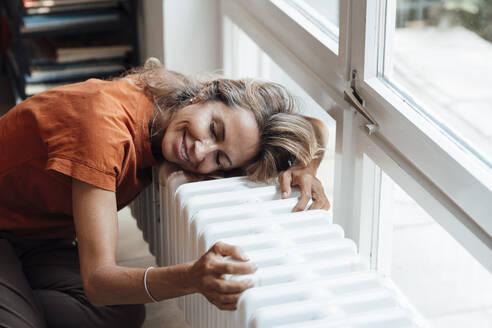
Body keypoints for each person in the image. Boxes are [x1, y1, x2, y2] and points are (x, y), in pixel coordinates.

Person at [0, 58, 329, 328]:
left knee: (123, 311)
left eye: (220, 158)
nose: (201, 151)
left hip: (34, 236)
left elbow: (316, 126)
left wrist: (305, 167)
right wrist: (192, 278)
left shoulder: (168, 99)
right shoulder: (103, 131)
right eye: (214, 130)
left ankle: (17, 297)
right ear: (204, 95)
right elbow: (100, 281)